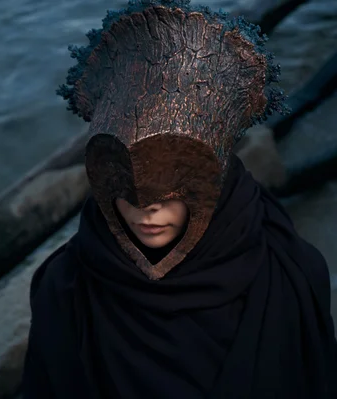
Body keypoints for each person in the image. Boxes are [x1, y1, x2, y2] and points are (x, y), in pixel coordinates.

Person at [22, 0, 337, 398]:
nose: (145, 204)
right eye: (121, 177)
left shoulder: (291, 274)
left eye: (173, 178)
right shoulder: (65, 291)